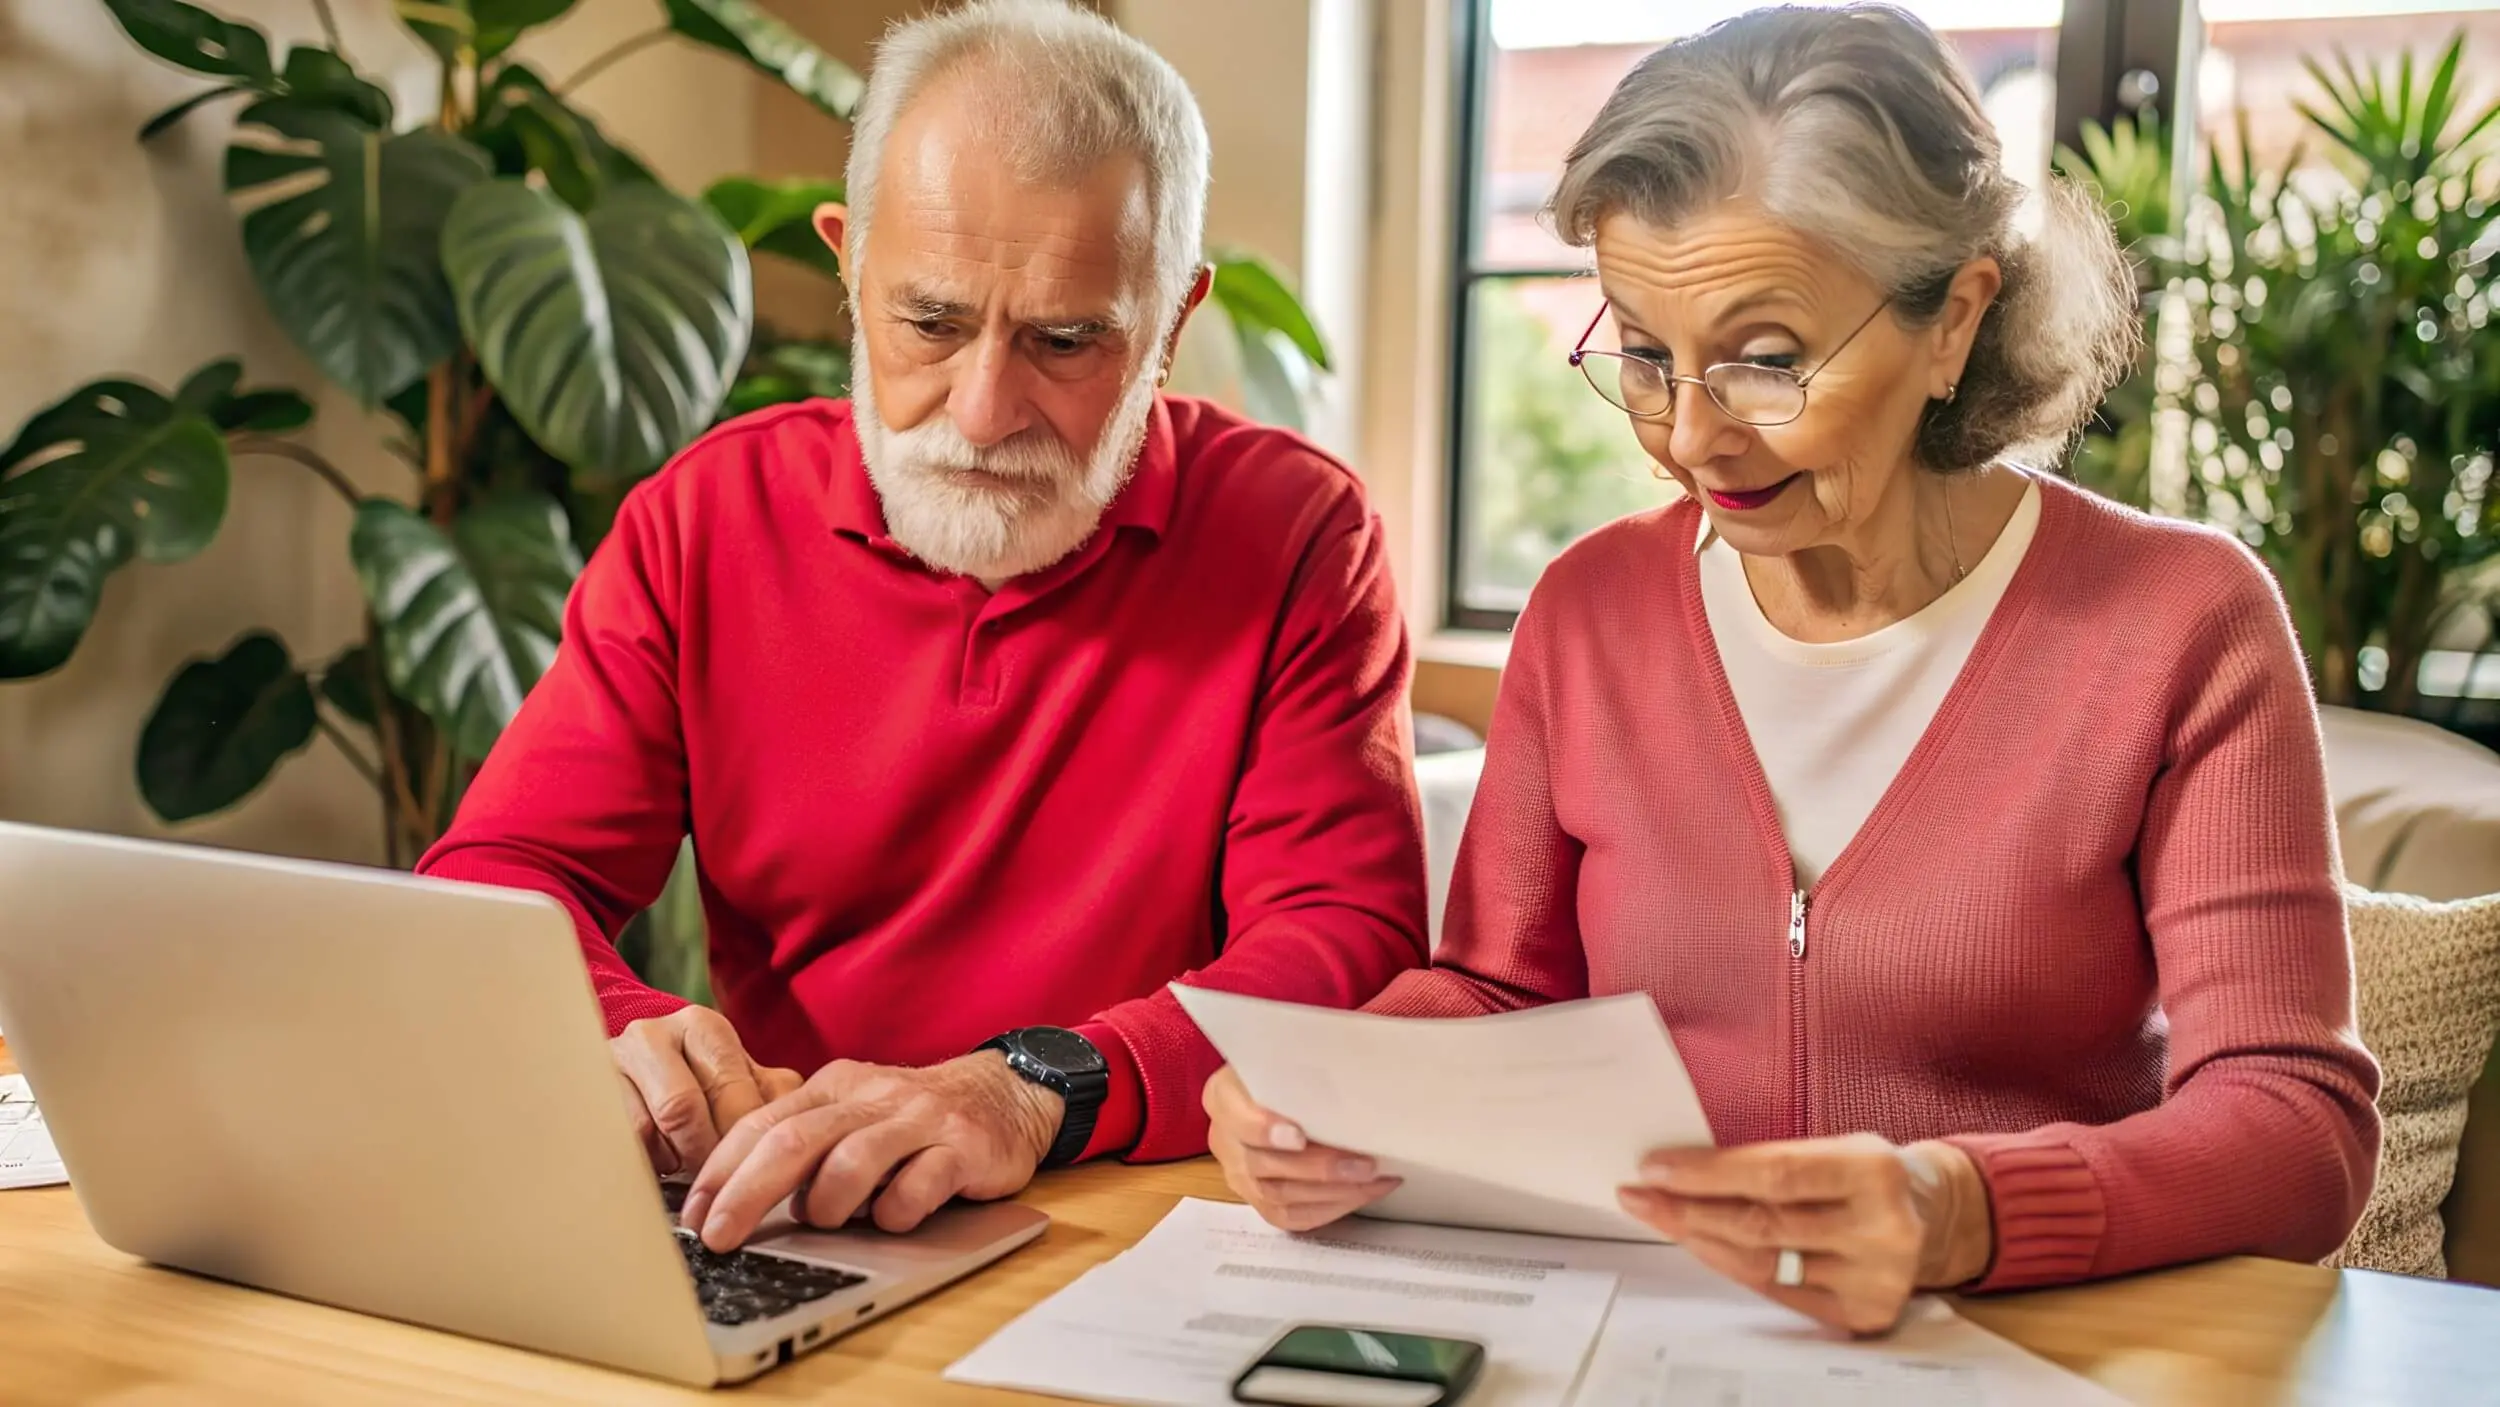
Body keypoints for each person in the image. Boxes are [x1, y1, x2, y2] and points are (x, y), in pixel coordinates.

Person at [1204, 4, 2380, 1335]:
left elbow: (2296, 1129)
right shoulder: (1591, 610)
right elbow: (1497, 989)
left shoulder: (2178, 623)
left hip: (2030, 1351)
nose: (1690, 437)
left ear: (1956, 321)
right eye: (1645, 354)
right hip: (1636, 1338)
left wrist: (1960, 1207)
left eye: (1767, 359)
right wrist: (1333, 1086)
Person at [420, 0, 1427, 1251]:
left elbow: (1344, 940)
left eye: (1064, 341)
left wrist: (1032, 1085)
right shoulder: (703, 518)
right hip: (793, 1215)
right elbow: (505, 870)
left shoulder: (1296, 534)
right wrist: (621, 1024)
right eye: (931, 322)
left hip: (1140, 1220)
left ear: (1168, 326)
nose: (984, 407)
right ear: (849, 268)